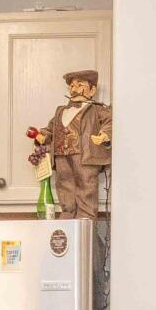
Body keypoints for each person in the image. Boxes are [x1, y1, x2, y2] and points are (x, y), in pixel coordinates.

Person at [27, 69, 112, 217]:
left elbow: (110, 122)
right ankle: (67, 216)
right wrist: (42, 136)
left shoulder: (97, 110)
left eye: (80, 85)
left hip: (85, 155)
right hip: (61, 155)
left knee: (86, 186)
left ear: (92, 90)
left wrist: (104, 135)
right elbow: (51, 128)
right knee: (65, 186)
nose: (74, 89)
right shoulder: (61, 111)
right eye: (72, 86)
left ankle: (86, 219)